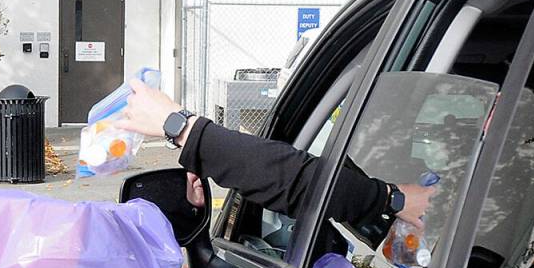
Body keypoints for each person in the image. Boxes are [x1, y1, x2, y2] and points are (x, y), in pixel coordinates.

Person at [116, 79, 435, 229]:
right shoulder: (461, 183)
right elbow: (304, 180)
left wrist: (183, 128)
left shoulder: (457, 199)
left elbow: (303, 184)